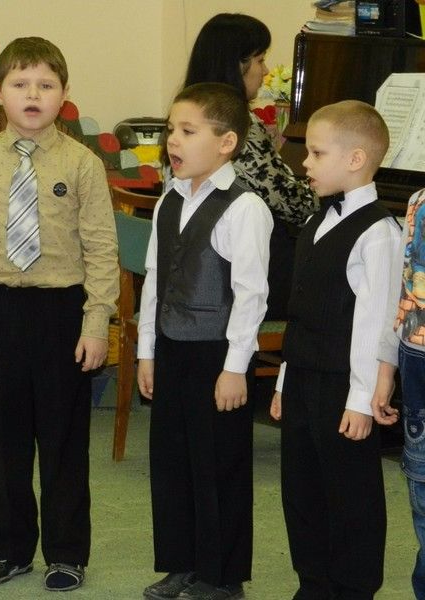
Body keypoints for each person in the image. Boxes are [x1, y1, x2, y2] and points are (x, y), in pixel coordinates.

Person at [0, 36, 118, 592]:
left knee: (63, 439)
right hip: (3, 309)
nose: (32, 95)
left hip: (63, 311)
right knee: (7, 438)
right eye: (20, 84)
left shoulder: (82, 163)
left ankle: (67, 552)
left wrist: (96, 324)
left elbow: (102, 250)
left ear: (64, 94)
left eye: (45, 85)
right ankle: (9, 548)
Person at [138, 82, 272, 600]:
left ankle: (222, 577)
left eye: (188, 131)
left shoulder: (244, 208)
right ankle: (182, 563)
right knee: (172, 459)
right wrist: (147, 351)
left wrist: (236, 366)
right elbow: (154, 277)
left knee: (219, 464)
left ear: (226, 142)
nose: (173, 140)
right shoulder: (169, 199)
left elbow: (251, 295)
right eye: (171, 129)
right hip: (172, 345)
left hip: (218, 353)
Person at [270, 100, 400, 599]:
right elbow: (300, 311)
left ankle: (352, 588)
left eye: (317, 153)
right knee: (301, 490)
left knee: (350, 496)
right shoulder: (315, 219)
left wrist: (361, 400)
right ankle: (314, 584)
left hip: (345, 386)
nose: (305, 162)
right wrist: (283, 381)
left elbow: (374, 326)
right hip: (303, 375)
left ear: (355, 159)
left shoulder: (379, 233)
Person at [183, 12, 317, 320]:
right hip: (233, 279)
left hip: (196, 272)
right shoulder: (239, 125)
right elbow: (293, 204)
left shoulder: (184, 115)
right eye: (260, 60)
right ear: (236, 65)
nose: (266, 70)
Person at [372, 185, 425, 600]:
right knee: (421, 489)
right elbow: (402, 293)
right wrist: (386, 369)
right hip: (417, 360)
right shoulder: (418, 202)